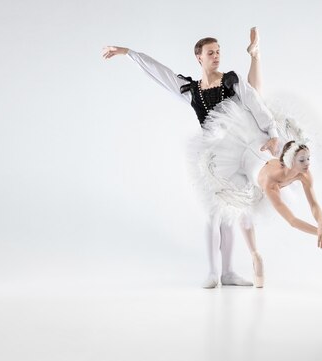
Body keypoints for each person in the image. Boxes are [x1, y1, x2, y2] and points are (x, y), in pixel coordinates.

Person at [101, 28, 278, 288]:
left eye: (218, 52)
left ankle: (228, 272)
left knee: (232, 213)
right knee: (213, 214)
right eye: (211, 53)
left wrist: (272, 132)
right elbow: (160, 73)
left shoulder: (232, 80)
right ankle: (212, 271)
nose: (216, 56)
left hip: (239, 152)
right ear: (199, 58)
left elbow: (255, 103)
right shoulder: (190, 89)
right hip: (214, 159)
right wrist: (128, 53)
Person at [197, 93, 322, 288]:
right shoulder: (270, 184)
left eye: (308, 159)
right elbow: (292, 221)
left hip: (260, 145)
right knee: (245, 215)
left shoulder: (304, 173)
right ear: (291, 162)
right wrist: (321, 234)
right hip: (242, 162)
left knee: (248, 215)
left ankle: (255, 66)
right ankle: (255, 255)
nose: (308, 164)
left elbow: (314, 204)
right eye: (302, 160)